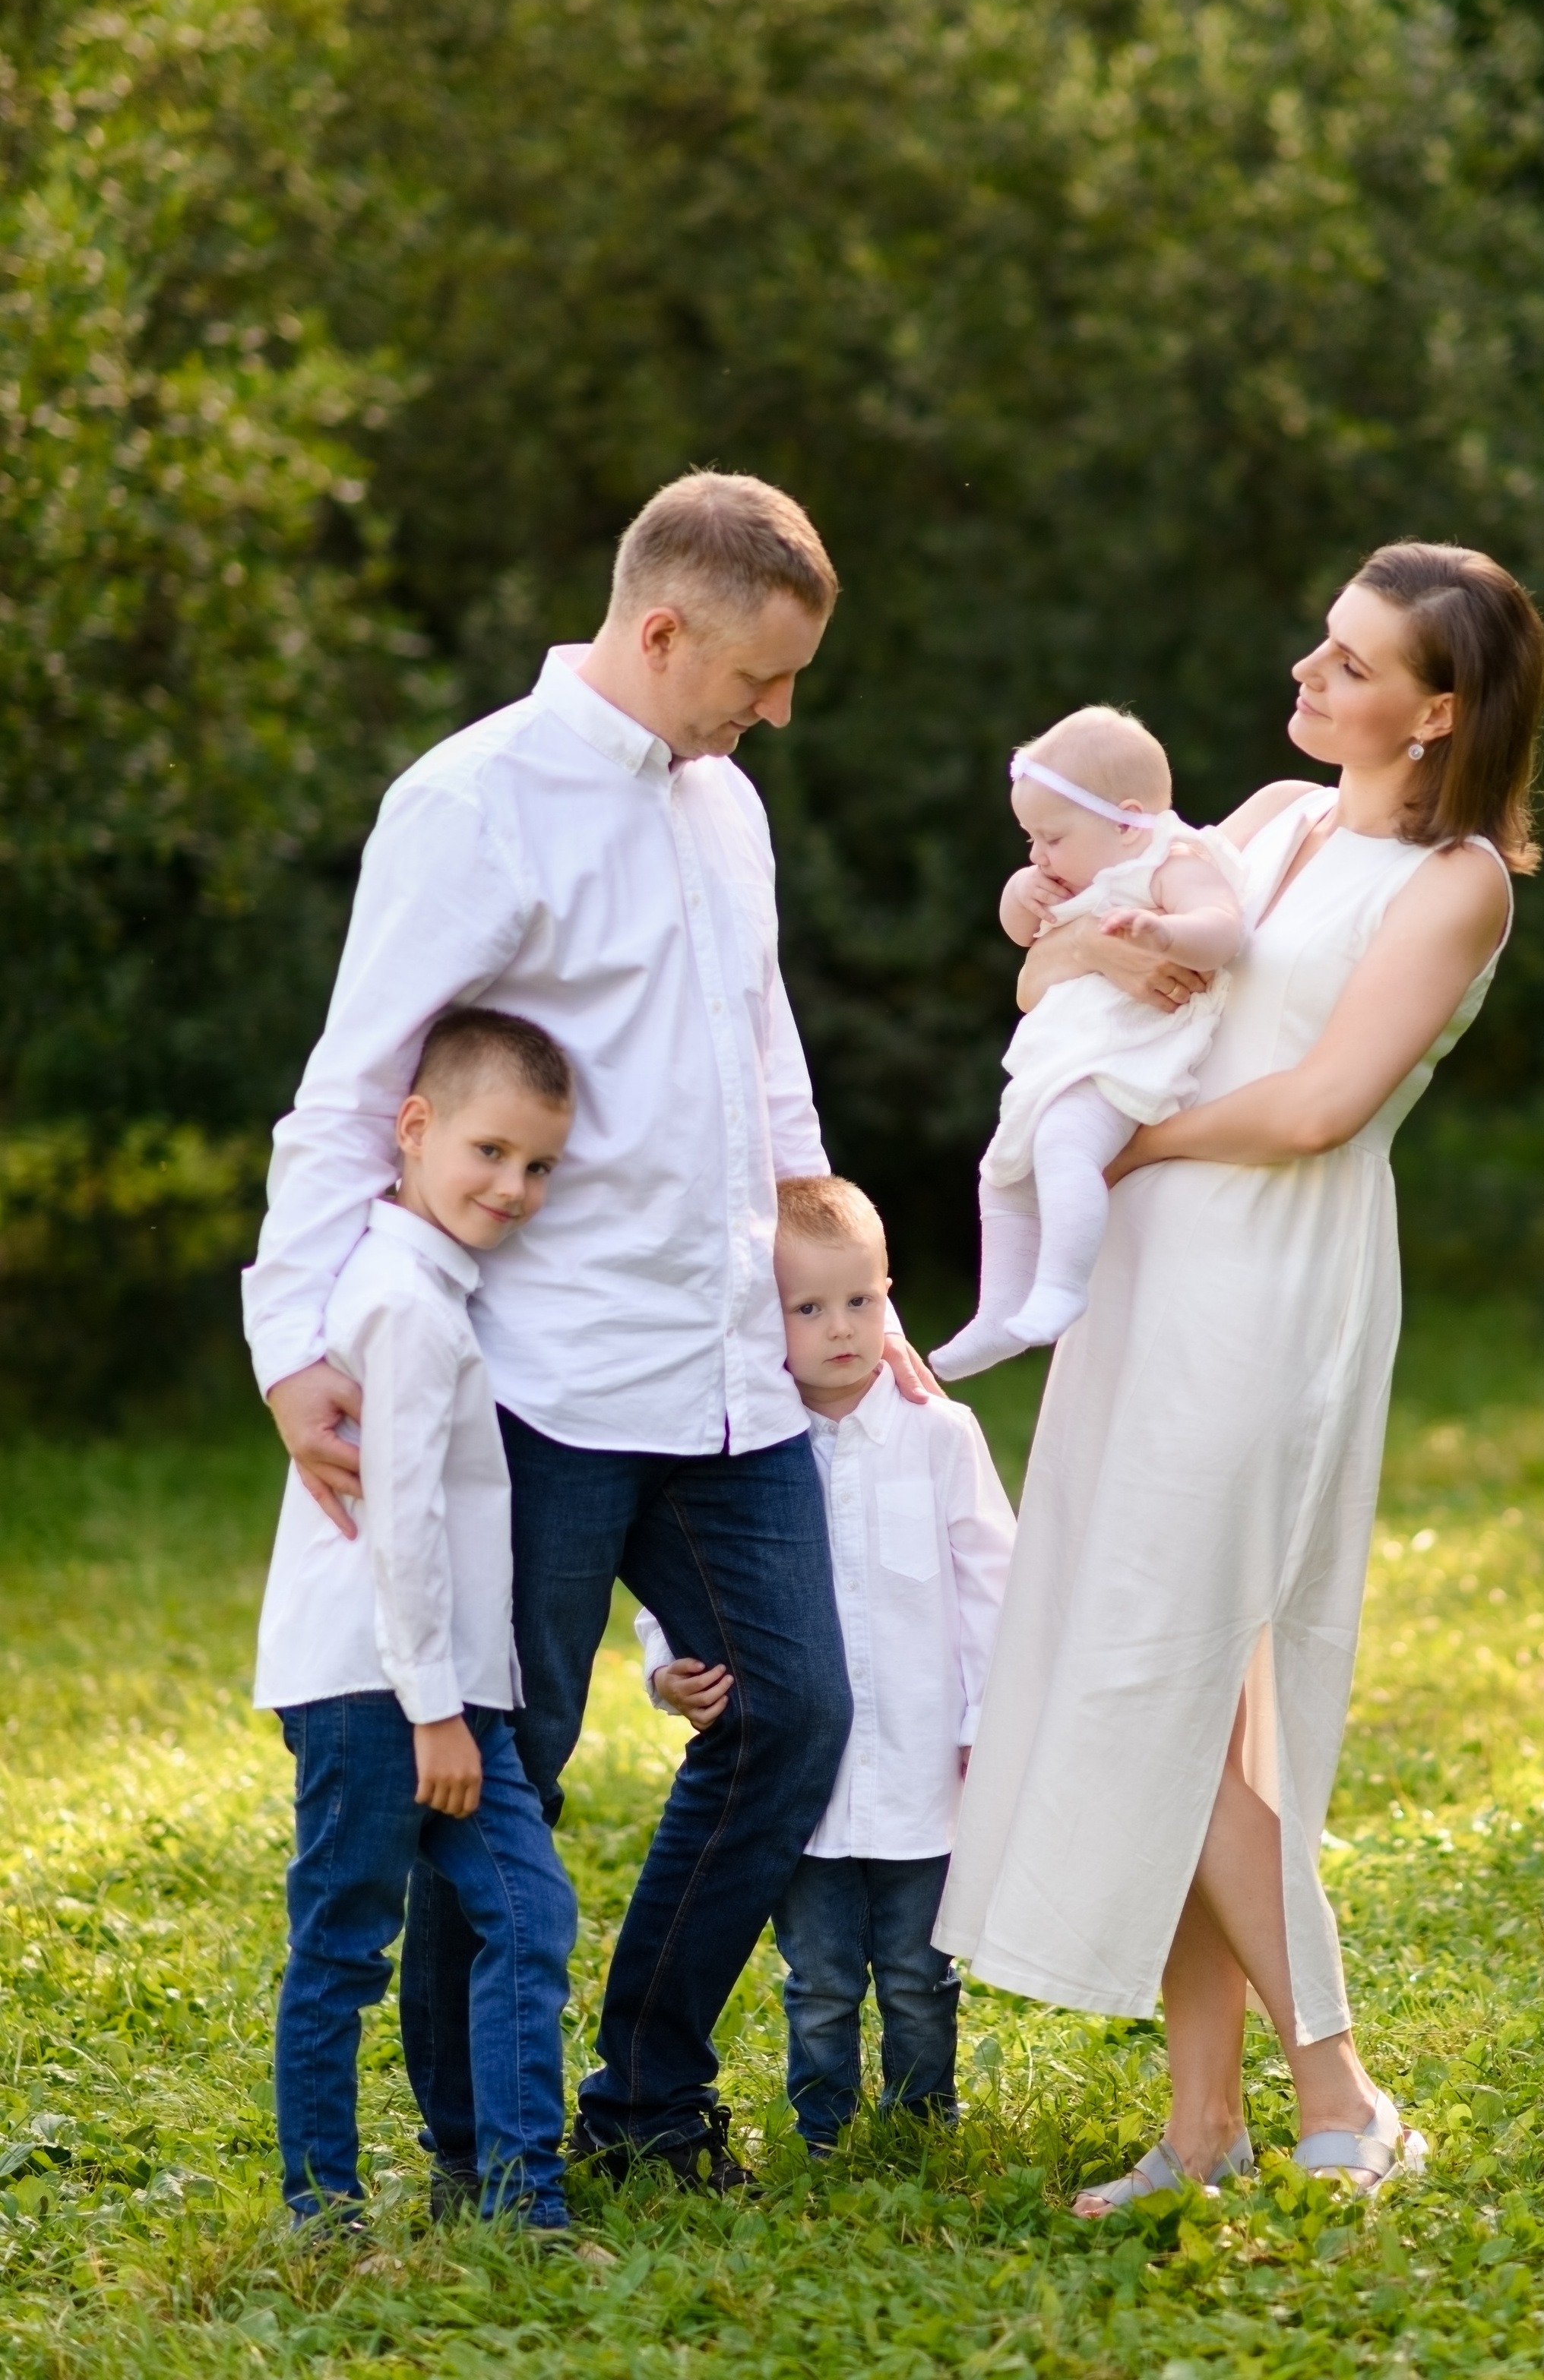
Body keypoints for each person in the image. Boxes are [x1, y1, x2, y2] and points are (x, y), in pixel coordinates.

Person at [243, 470, 938, 2199]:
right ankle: (481, 2138)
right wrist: (290, 1339)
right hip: (533, 1379)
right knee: (500, 1774)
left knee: (790, 1711)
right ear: (659, 629)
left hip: (728, 1370)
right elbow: (358, 1085)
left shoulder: (726, 804)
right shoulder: (472, 801)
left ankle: (642, 2096)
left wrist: (843, 1273)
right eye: (759, 675)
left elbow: (765, 1053)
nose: (776, 710)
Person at [937, 542, 1544, 2209]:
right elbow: (1070, 970)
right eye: (1319, 645)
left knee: (1178, 1685)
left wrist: (1128, 1153)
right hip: (1150, 1279)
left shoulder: (1459, 883)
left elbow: (1314, 1106)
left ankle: (1335, 2084)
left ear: (1432, 716)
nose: (1305, 675)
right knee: (1171, 1685)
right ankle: (1199, 2127)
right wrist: (1052, 939)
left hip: (1270, 1286)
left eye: (1347, 666)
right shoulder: (1263, 828)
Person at [255, 1005, 580, 2230]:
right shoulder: (400, 1299)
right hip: (372, 1685)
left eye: (538, 1165)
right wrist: (437, 1713)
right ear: (416, 1128)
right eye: (490, 1152)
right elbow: (399, 1522)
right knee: (344, 1941)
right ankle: (321, 2209)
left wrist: (460, 1703)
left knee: (530, 1912)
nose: (513, 1186)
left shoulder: (435, 1289)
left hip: (453, 1691)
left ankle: (517, 2199)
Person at [639, 1177, 1014, 2154]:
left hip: (926, 1770)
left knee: (919, 1972)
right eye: (807, 1309)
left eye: (861, 1301)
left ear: (890, 1294)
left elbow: (992, 1583)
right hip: (805, 1792)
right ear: (763, 1320)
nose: (839, 1328)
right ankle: (824, 2132)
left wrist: (985, 1720)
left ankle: (924, 2121)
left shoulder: (939, 1435)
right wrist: (666, 1668)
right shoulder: (750, 1452)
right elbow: (679, 1573)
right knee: (818, 1980)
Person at [932, 707, 1246, 1383]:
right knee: (1002, 1173)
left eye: (1050, 838)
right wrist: (1022, 892)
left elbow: (1224, 928)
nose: (1039, 855)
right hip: (1067, 1056)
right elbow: (1022, 936)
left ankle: (1062, 1286)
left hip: (1131, 1052)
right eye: (1030, 842)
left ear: (1128, 823)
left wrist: (1168, 934)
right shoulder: (1078, 876)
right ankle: (997, 1314)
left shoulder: (1171, 860)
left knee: (1062, 1148)